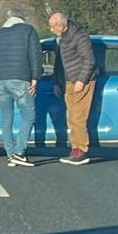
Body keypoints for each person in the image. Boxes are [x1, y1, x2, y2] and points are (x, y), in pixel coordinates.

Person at [0, 8, 43, 167]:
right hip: (20, 78)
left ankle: (10, 153)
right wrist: (35, 78)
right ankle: (19, 152)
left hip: (0, 81)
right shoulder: (28, 30)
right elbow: (35, 55)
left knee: (7, 119)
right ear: (22, 18)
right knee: (28, 115)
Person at [49, 12, 96, 165]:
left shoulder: (80, 37)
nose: (51, 30)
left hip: (81, 81)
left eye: (52, 27)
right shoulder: (61, 39)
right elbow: (59, 63)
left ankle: (81, 150)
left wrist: (81, 80)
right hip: (68, 81)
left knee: (78, 117)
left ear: (61, 26)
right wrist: (57, 82)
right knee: (72, 117)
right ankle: (75, 148)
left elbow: (89, 60)